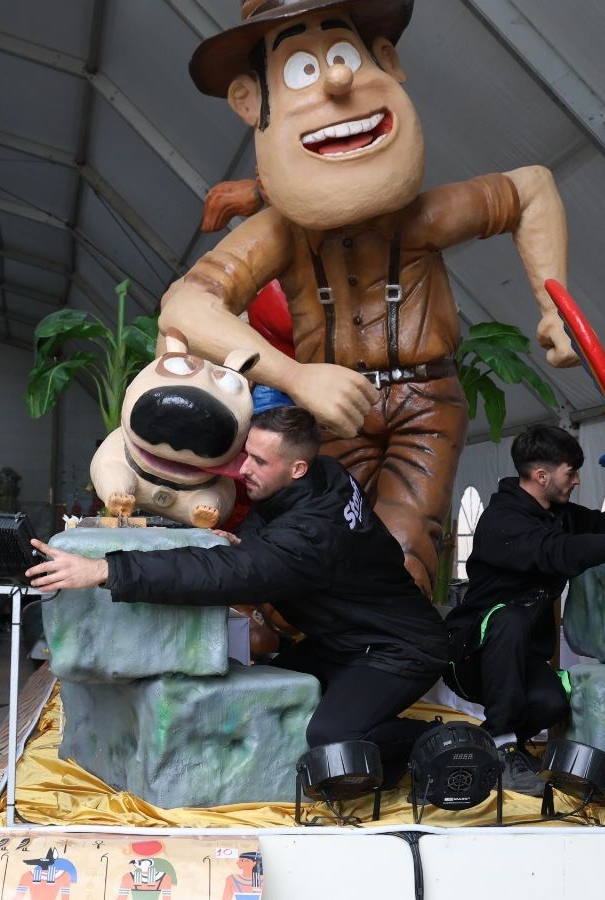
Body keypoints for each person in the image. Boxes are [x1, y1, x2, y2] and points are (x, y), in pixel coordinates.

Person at [160, 0, 582, 596]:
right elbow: (187, 302)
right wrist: (299, 378)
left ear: (385, 61)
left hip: (424, 398)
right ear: (251, 102)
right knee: (319, 533)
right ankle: (305, 643)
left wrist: (553, 305)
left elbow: (530, 190)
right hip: (334, 407)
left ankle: (385, 660)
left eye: (345, 57)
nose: (336, 79)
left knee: (404, 544)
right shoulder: (281, 233)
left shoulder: (421, 217)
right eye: (303, 70)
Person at [30, 406, 447, 783]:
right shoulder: (325, 474)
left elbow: (222, 575)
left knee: (331, 736)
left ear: (297, 467)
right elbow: (264, 537)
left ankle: (440, 742)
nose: (244, 468)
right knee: (271, 692)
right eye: (246, 453)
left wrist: (105, 568)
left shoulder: (313, 535)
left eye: (260, 461)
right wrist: (244, 545)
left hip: (400, 649)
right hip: (349, 637)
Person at [443, 425, 605, 795]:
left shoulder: (557, 510)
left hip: (520, 656)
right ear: (541, 475)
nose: (578, 480)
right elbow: (559, 552)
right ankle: (502, 747)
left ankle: (488, 747)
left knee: (552, 701)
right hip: (473, 654)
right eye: (572, 472)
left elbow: (603, 526)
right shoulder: (502, 521)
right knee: (510, 617)